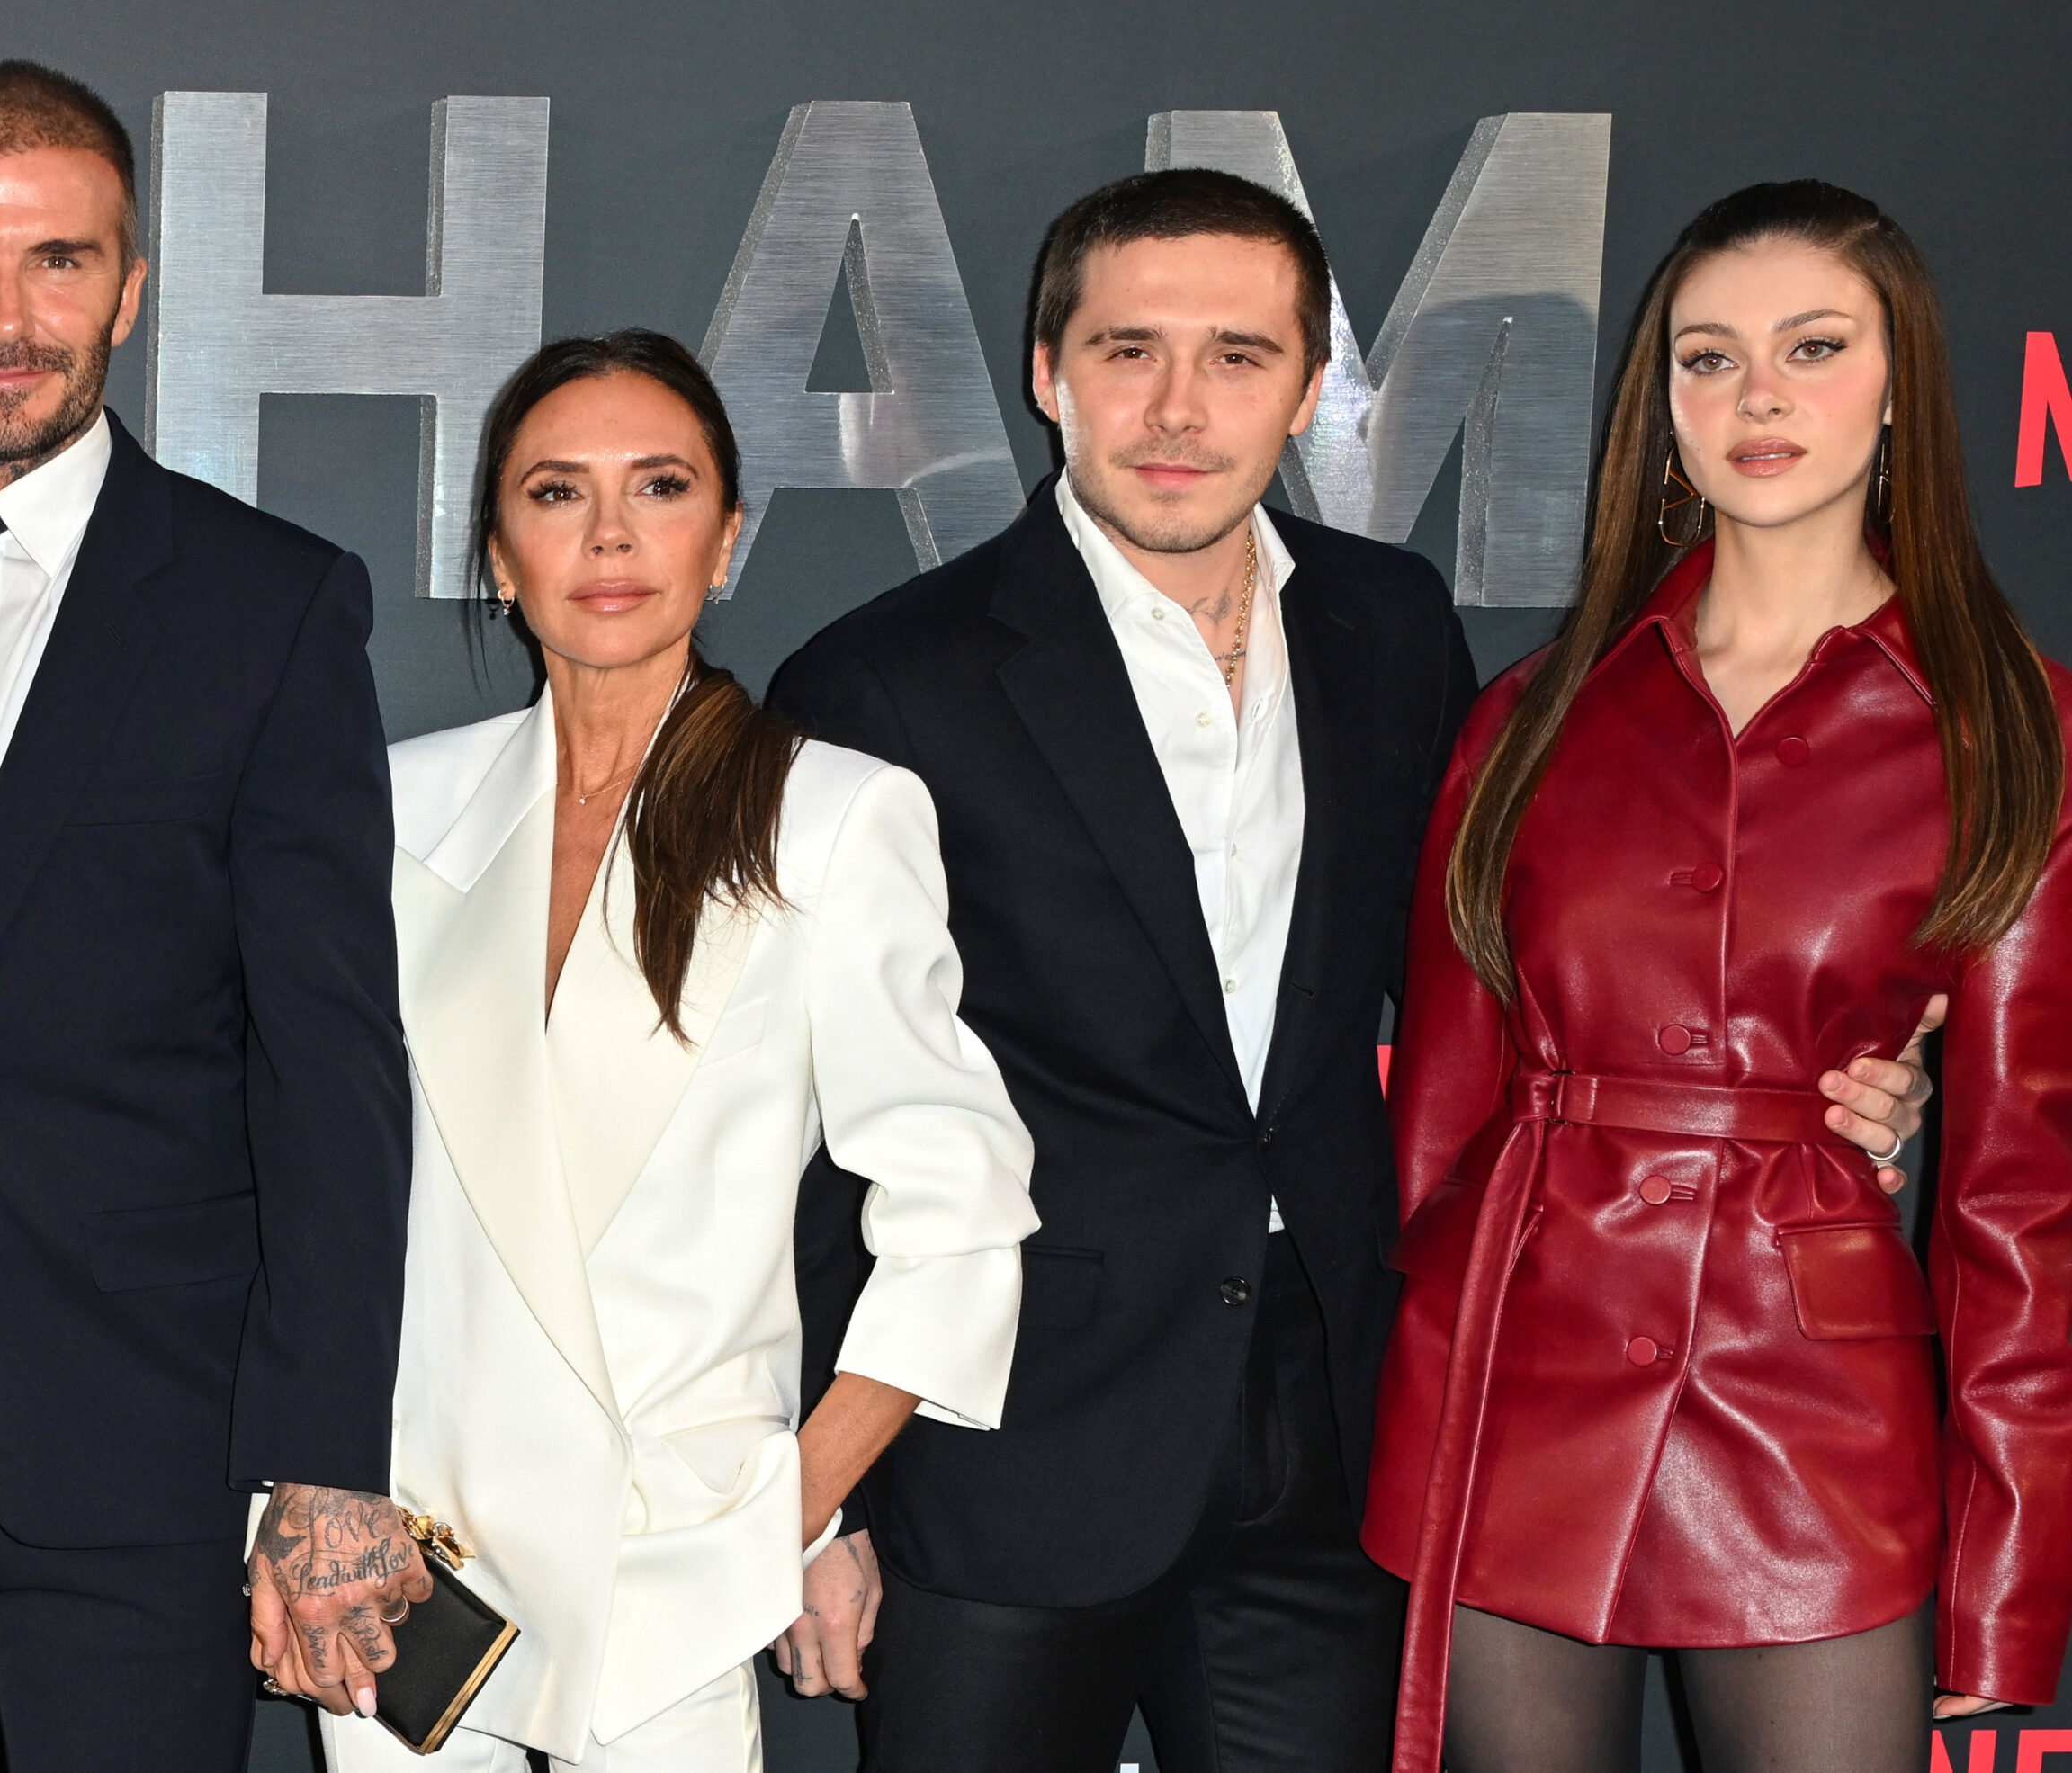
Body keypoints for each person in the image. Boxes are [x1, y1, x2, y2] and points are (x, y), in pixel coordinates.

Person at [765, 169, 1937, 1773]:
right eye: (1128, 351)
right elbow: (800, 1124)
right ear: (1047, 375)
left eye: (1240, 357)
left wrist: (1830, 1083)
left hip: (1338, 1441)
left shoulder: (1393, 631)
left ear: (1311, 391)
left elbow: (1514, 981)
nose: (1180, 408)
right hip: (1003, 1447)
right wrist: (807, 1493)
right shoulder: (881, 680)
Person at [1363, 179, 2072, 1773]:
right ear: (1657, 405)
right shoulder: (1534, 716)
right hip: (1511, 1387)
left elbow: (2023, 1206)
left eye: (1813, 348)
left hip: (1813, 1405)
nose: (1756, 396)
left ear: (1901, 389)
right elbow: (1440, 1127)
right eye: (1706, 358)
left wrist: (2007, 1577)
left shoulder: (2013, 728)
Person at [0, 62, 422, 1772]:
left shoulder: (266, 606)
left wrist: (329, 1455)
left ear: (131, 290)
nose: (5, 320)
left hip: (139, 1438)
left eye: (59, 262)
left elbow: (332, 1068)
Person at [306, 329, 1038, 1773]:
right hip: (416, 1552)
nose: (613, 534)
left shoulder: (830, 816)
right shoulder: (396, 810)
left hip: (667, 1553)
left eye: (660, 486)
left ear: (726, 538)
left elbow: (959, 1206)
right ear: (499, 554)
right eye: (557, 493)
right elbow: (317, 1178)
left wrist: (786, 1509)